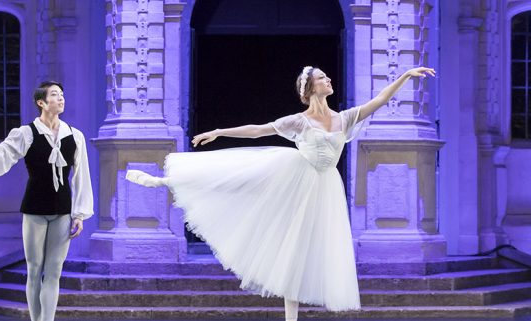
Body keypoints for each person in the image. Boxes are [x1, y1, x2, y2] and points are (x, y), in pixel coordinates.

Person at [126, 66, 435, 319]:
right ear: (312, 88)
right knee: (240, 183)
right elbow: (258, 129)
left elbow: (379, 100)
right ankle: (166, 182)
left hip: (326, 187)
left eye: (327, 77)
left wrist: (405, 76)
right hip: (298, 178)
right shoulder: (299, 121)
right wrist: (219, 131)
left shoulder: (344, 118)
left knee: (311, 250)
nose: (329, 80)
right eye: (323, 78)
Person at [0, 81, 94, 321]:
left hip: (62, 210)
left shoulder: (75, 136)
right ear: (41, 102)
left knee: (54, 272)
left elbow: (81, 176)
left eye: (62, 94)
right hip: (34, 210)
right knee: (34, 270)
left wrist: (80, 214)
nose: (61, 98)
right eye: (55, 95)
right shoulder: (26, 134)